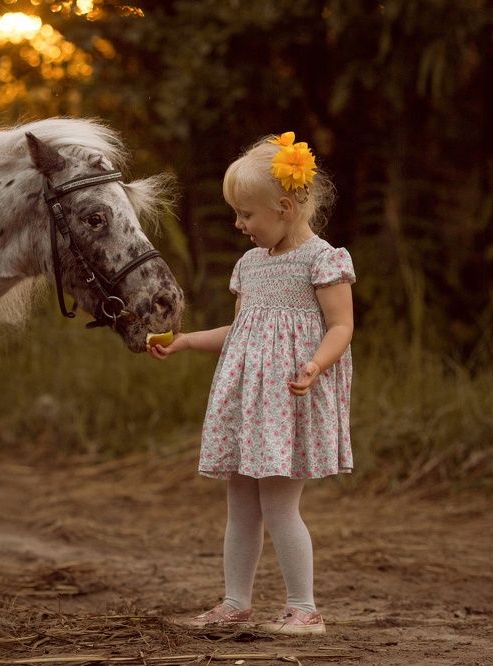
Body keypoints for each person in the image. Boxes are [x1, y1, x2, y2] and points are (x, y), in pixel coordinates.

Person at [150, 132, 355, 636]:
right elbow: (239, 332)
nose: (239, 225)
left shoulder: (321, 259)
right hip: (248, 404)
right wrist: (185, 341)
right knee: (240, 503)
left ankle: (304, 609)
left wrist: (314, 366)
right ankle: (234, 602)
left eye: (246, 215)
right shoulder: (249, 266)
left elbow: (341, 328)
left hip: (288, 398)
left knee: (280, 505)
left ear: (284, 207)